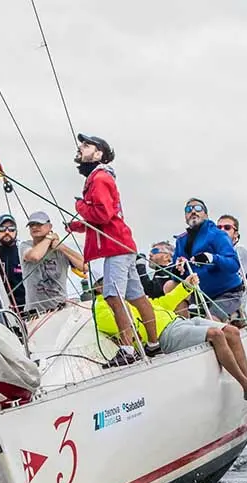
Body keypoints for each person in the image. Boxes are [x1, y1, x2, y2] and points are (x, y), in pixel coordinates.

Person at [92, 275, 247, 401]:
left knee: (232, 331)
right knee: (216, 334)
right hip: (165, 334)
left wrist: (186, 285)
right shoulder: (102, 308)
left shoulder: (130, 300)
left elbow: (163, 303)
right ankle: (246, 386)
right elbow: (124, 325)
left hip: (179, 322)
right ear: (101, 289)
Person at [66, 133, 161, 363]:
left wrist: (80, 205)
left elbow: (102, 213)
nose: (81, 148)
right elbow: (104, 218)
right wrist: (77, 226)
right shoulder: (101, 178)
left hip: (115, 249)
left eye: (87, 145)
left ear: (99, 154)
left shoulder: (98, 178)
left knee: (113, 296)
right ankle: (153, 344)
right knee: (136, 297)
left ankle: (128, 351)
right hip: (122, 245)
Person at [173, 198, 245, 321]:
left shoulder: (218, 235)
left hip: (226, 293)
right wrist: (178, 269)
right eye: (189, 209)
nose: (193, 212)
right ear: (185, 217)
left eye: (198, 208)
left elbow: (233, 264)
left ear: (206, 215)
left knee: (211, 322)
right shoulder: (181, 241)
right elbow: (176, 276)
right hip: (200, 293)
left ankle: (234, 315)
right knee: (170, 285)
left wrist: (211, 258)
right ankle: (184, 325)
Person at [20, 211, 84, 314]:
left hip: (60, 310)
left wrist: (61, 247)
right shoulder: (25, 246)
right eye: (32, 225)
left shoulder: (60, 248)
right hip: (34, 313)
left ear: (50, 226)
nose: (35, 227)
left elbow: (84, 267)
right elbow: (35, 256)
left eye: (39, 224)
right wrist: (49, 238)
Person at [216, 214, 247, 292]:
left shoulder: (239, 252)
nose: (222, 230)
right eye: (218, 228)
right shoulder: (208, 253)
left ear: (236, 234)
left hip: (233, 300)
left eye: (227, 228)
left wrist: (238, 282)